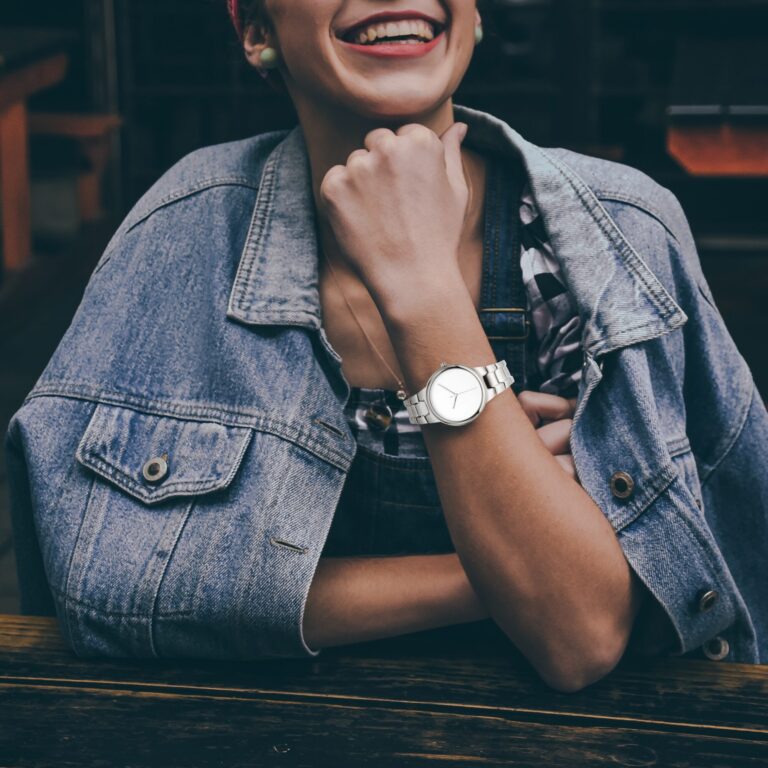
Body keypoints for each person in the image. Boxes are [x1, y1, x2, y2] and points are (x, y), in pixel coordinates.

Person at [5, 1, 768, 693]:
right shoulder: (181, 232)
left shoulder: (622, 232)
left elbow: (578, 637)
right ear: (257, 30)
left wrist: (423, 291)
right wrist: (499, 574)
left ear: (473, 15)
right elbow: (106, 591)